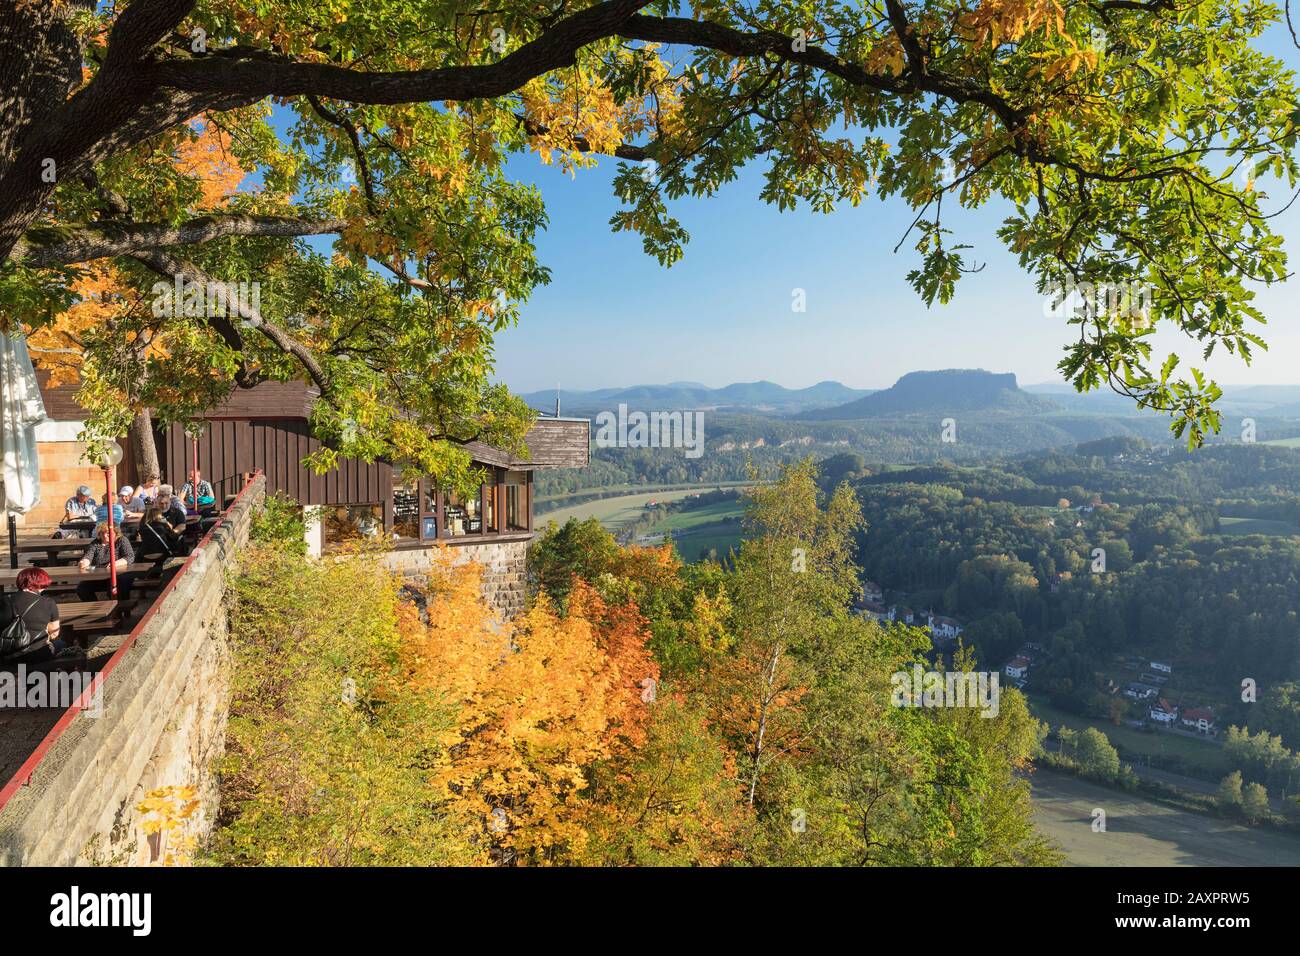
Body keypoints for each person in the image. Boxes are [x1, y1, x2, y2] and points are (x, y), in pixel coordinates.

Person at [0, 567, 80, 663]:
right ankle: (60, 674)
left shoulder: (3, 600)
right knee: (60, 643)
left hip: (6, 654)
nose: (44, 589)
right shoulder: (48, 602)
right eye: (43, 586)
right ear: (38, 585)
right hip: (38, 654)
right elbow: (55, 633)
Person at [76, 522, 135, 601]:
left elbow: (129, 556)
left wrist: (115, 563)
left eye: (107, 533)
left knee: (117, 587)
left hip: (119, 575)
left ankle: (120, 609)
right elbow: (88, 556)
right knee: (82, 588)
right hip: (100, 577)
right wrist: (84, 562)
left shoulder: (122, 540)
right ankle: (95, 608)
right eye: (102, 533)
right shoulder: (95, 543)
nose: (104, 535)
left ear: (115, 533)